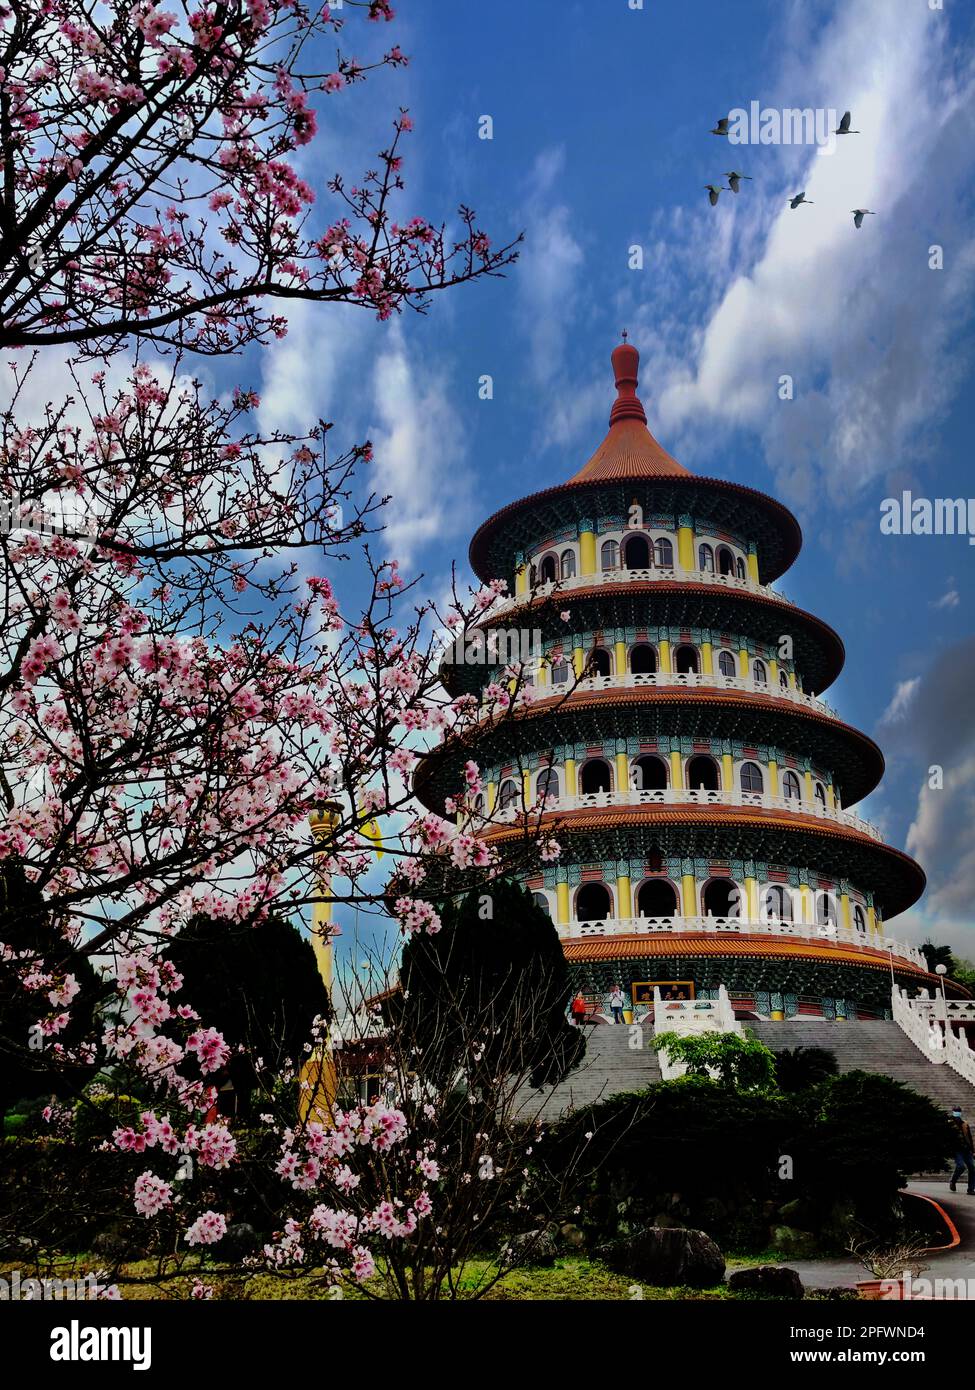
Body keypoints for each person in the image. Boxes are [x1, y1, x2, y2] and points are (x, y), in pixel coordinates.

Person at [948, 1105, 975, 1194]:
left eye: (958, 1111)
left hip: (966, 1149)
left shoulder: (964, 1123)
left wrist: (973, 1150)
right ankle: (953, 1181)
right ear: (953, 1112)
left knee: (972, 1168)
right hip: (957, 1149)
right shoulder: (949, 1123)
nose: (957, 1112)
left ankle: (971, 1189)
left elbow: (969, 1138)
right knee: (961, 1166)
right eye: (956, 1111)